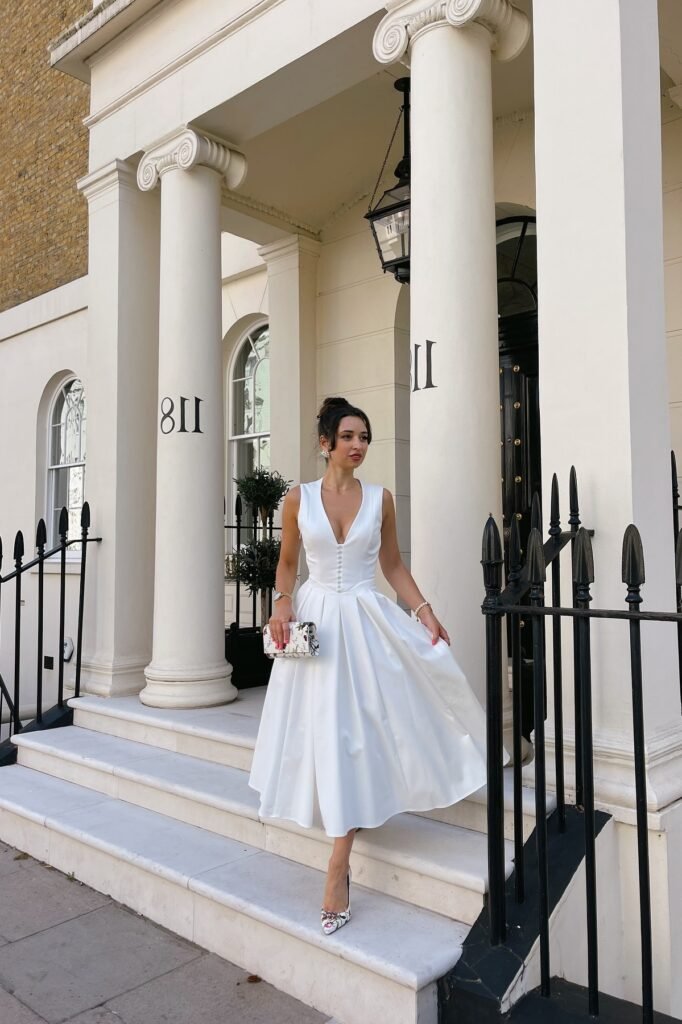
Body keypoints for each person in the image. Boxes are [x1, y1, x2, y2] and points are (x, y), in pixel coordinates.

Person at [248, 396, 489, 935]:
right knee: (328, 734)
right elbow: (287, 564)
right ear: (326, 442)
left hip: (362, 621)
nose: (358, 446)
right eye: (349, 436)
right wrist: (281, 601)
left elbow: (392, 565)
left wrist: (425, 611)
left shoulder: (380, 500)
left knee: (354, 730)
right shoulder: (297, 499)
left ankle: (338, 865)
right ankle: (344, 827)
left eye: (364, 438)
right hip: (314, 622)